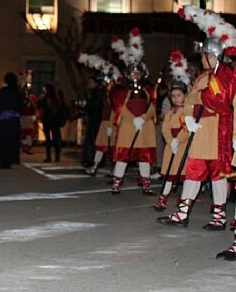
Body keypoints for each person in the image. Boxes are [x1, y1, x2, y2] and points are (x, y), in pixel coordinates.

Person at [157, 6, 236, 234]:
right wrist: (189, 116)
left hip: (215, 131)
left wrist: (198, 102)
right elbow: (192, 100)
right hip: (199, 130)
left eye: (204, 55)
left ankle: (219, 216)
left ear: (213, 56)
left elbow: (220, 101)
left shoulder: (223, 75)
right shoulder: (203, 76)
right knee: (193, 171)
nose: (201, 59)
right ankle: (183, 212)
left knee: (217, 175)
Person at [109, 28, 157, 196]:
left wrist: (143, 118)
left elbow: (153, 106)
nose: (135, 76)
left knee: (144, 158)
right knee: (123, 157)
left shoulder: (148, 89)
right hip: (128, 127)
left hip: (145, 127)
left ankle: (146, 184)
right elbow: (119, 107)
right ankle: (116, 183)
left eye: (137, 73)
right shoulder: (121, 90)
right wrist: (132, 119)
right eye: (132, 73)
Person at [152, 51, 190, 211]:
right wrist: (170, 140)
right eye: (173, 96)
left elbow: (187, 128)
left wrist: (178, 140)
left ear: (184, 96)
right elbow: (165, 127)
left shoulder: (188, 112)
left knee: (185, 176)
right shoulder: (170, 113)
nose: (176, 98)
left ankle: (184, 200)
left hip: (182, 147)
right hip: (171, 146)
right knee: (168, 175)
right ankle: (163, 198)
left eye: (179, 95)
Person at [76, 54, 121, 176]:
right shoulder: (104, 91)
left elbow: (115, 107)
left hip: (111, 121)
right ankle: (95, 166)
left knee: (112, 146)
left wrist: (112, 122)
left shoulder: (114, 91)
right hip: (104, 121)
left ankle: (114, 169)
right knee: (101, 145)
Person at [0, 72, 21, 168]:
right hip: (13, 120)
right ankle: (7, 161)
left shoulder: (3, 92)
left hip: (3, 120)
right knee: (10, 142)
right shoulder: (16, 92)